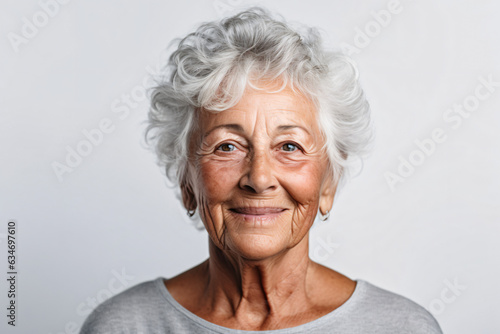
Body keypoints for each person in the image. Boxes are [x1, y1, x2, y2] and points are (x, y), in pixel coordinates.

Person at [80, 7, 442, 333]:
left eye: (289, 147)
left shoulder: (402, 328)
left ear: (328, 183)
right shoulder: (123, 326)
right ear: (187, 181)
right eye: (227, 147)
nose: (259, 178)